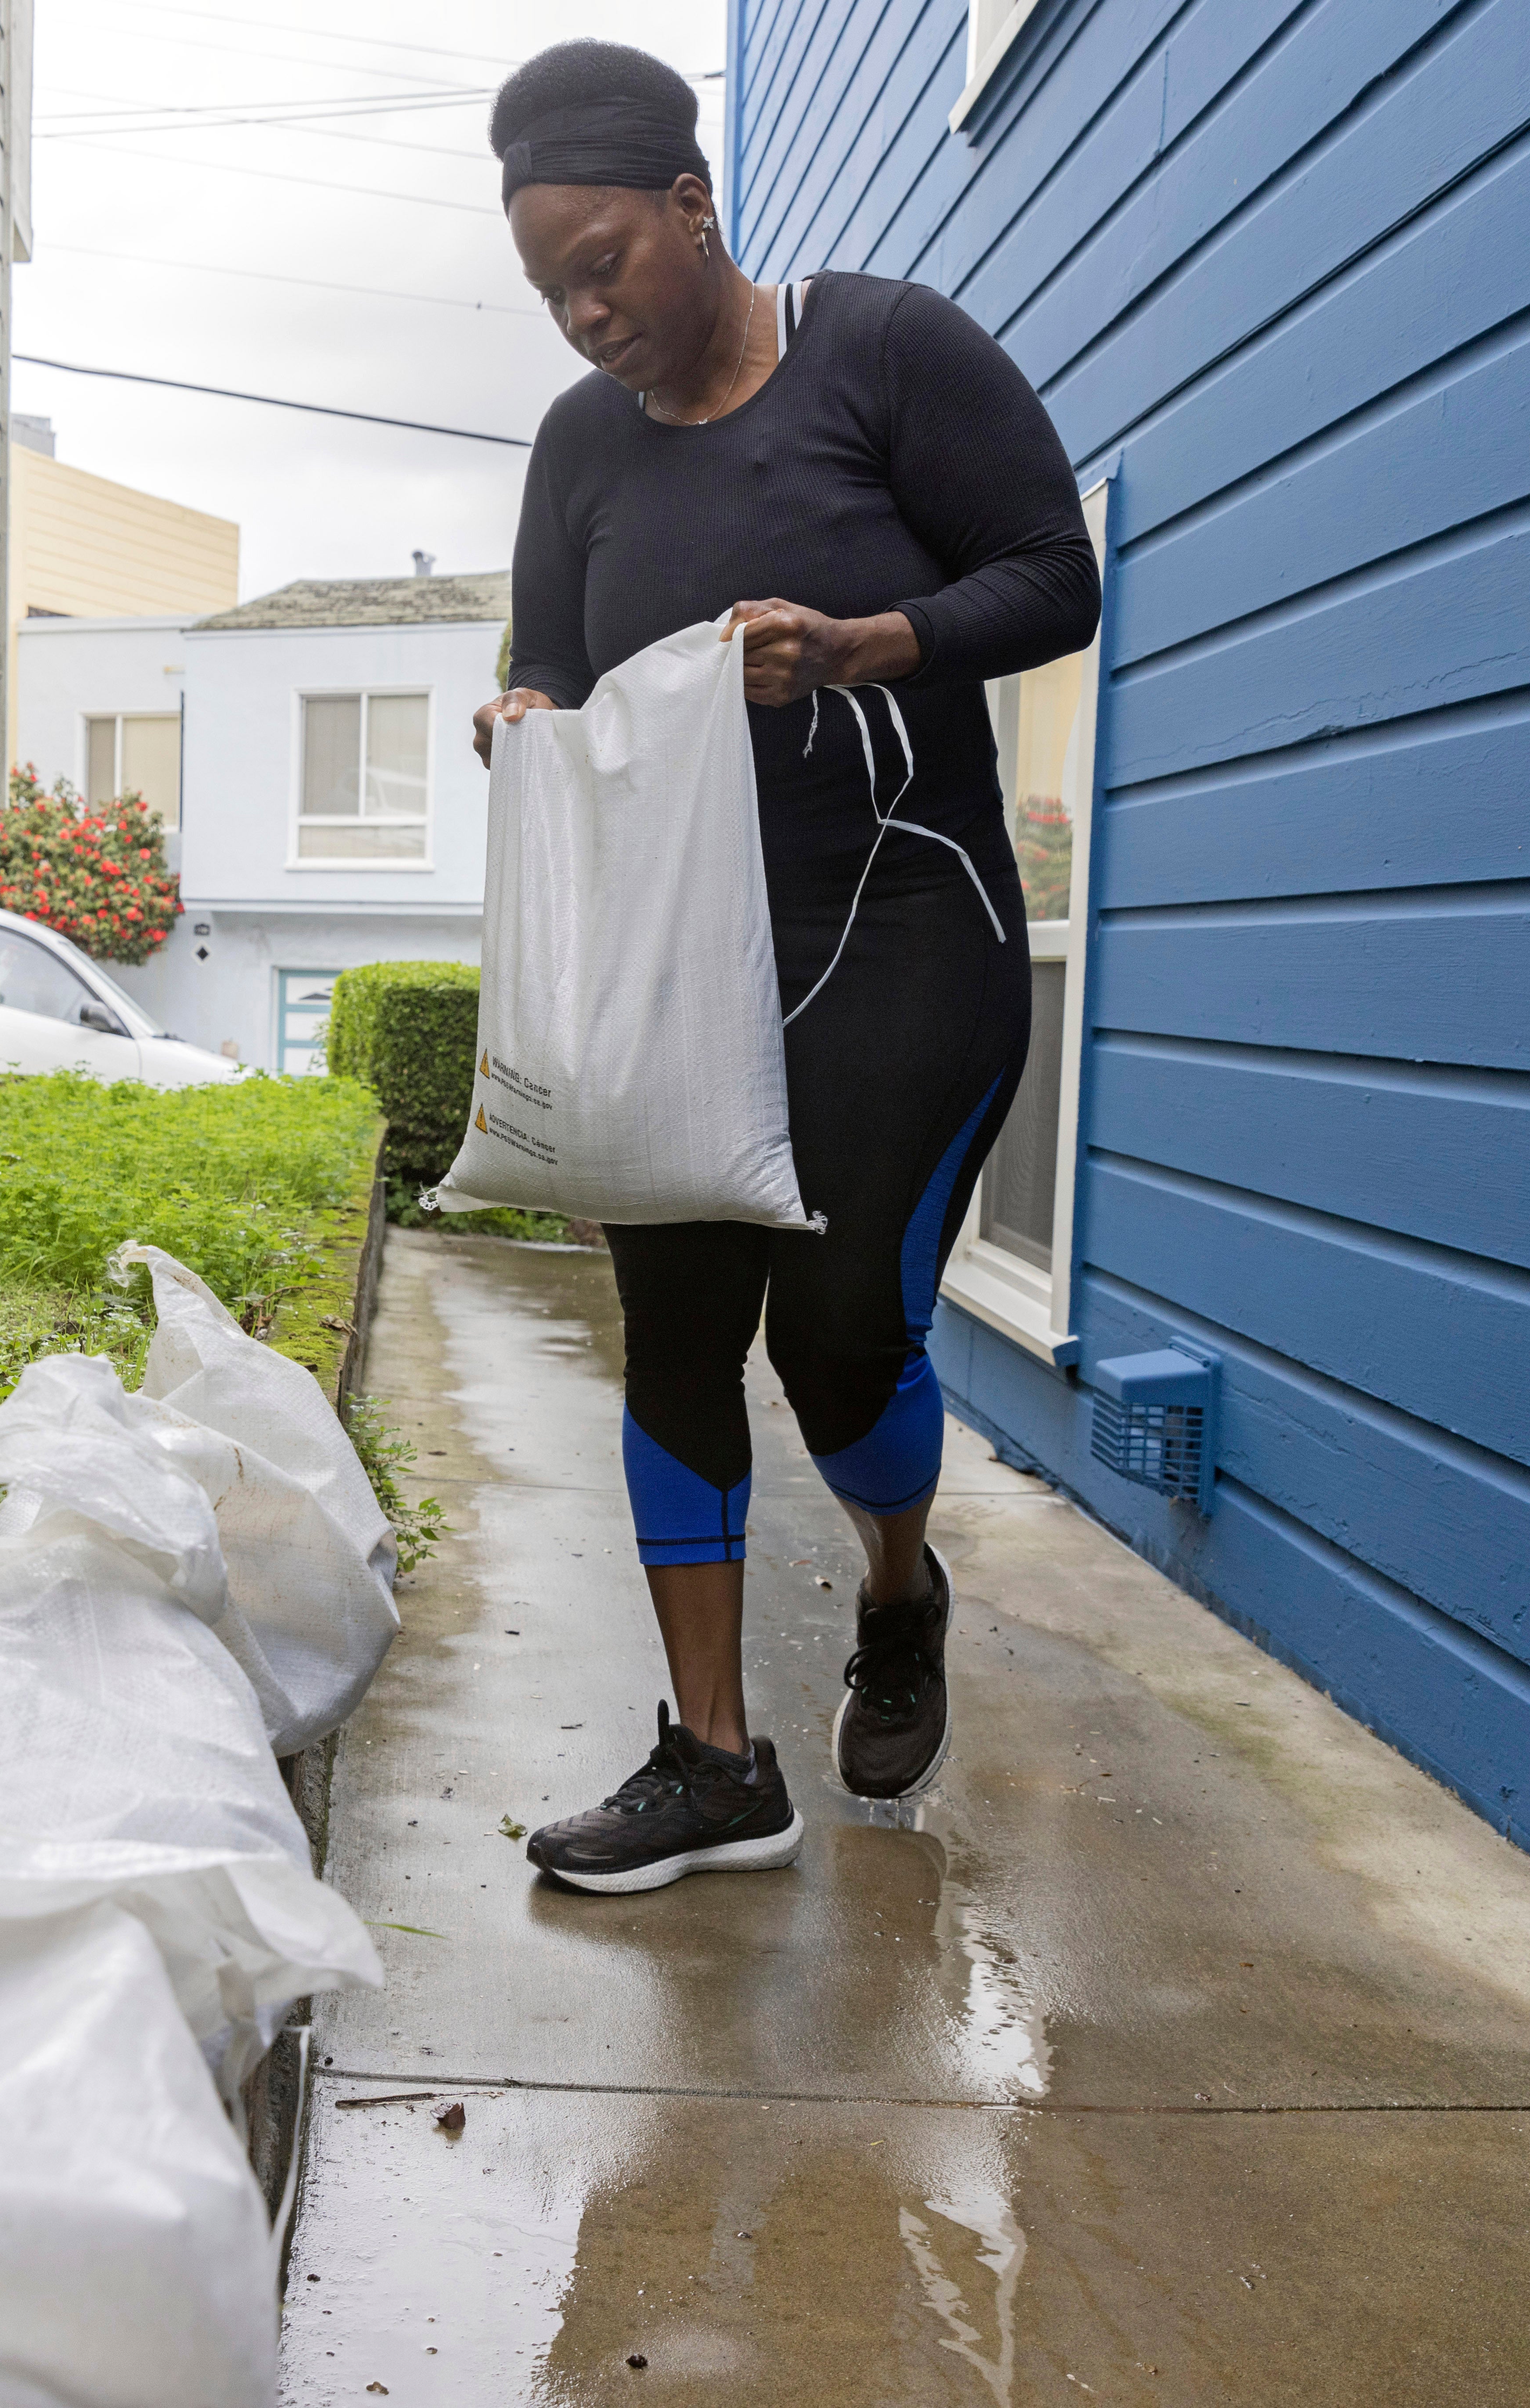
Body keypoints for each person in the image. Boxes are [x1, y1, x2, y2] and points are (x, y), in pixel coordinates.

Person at [479, 40, 1099, 1893]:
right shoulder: (579, 451)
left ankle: (898, 1588)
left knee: (836, 1332)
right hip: (679, 962)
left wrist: (863, 643)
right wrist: (519, 716)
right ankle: (709, 1761)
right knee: (673, 1336)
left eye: (603, 262)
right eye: (547, 291)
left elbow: (1051, 577)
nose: (584, 315)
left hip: (902, 932)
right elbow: (550, 667)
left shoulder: (886, 353)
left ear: (690, 207)